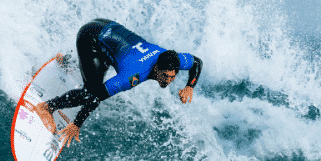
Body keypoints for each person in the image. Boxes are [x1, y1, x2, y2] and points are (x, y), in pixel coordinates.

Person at [35, 18, 203, 147]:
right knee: (90, 91)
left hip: (108, 27)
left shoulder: (173, 59)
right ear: (156, 69)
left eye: (173, 76)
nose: (169, 81)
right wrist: (77, 124)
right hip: (91, 37)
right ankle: (47, 107)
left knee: (106, 62)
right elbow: (97, 97)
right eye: (165, 76)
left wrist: (190, 86)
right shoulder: (133, 75)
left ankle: (67, 62)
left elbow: (197, 62)